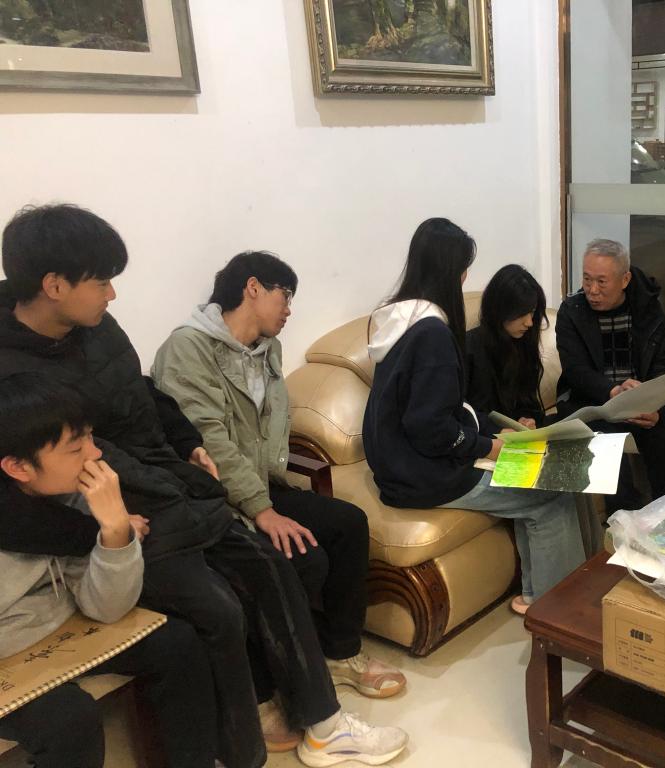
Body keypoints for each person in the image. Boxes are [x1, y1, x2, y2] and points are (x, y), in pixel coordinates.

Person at [0, 204, 407, 767]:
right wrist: (102, 529)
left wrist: (187, 442)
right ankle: (245, 749)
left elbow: (142, 392)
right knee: (218, 610)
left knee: (271, 567)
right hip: (115, 513)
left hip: (171, 484)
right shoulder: (14, 370)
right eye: (102, 282)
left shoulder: (97, 328)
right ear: (54, 285)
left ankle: (324, 724)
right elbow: (19, 499)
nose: (113, 295)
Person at [152, 250, 406, 700]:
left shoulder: (267, 349)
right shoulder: (188, 350)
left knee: (348, 523)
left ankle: (341, 654)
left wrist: (270, 495)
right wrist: (262, 510)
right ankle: (276, 682)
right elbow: (209, 441)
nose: (289, 309)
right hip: (214, 499)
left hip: (261, 485)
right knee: (307, 558)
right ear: (252, 287)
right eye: (284, 296)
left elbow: (271, 433)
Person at [362, 218, 585, 616]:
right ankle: (557, 612)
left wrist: (491, 432)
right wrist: (489, 447)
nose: (466, 277)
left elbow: (441, 411)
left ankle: (538, 596)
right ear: (450, 272)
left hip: (404, 466)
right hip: (424, 475)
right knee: (552, 492)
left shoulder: (399, 321)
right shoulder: (432, 334)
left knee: (549, 476)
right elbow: (431, 428)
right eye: (464, 268)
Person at [0, 373, 218, 768]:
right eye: (75, 448)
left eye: (90, 437)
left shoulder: (71, 494)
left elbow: (106, 609)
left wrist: (115, 531)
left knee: (178, 641)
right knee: (69, 718)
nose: (95, 454)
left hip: (60, 634)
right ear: (18, 467)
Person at [555, 238, 665, 499]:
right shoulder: (572, 312)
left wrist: (656, 410)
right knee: (606, 444)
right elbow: (575, 370)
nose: (592, 290)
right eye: (587, 279)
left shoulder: (648, 310)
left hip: (642, 405)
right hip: (593, 403)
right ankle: (622, 515)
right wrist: (613, 391)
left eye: (601, 282)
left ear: (624, 280)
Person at [465, 264, 548, 435]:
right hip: (482, 440)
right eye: (522, 313)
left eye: (532, 312)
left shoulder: (524, 343)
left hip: (516, 439)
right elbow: (462, 412)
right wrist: (497, 430)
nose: (529, 322)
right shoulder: (469, 347)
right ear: (501, 309)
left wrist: (527, 419)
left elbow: (529, 403)